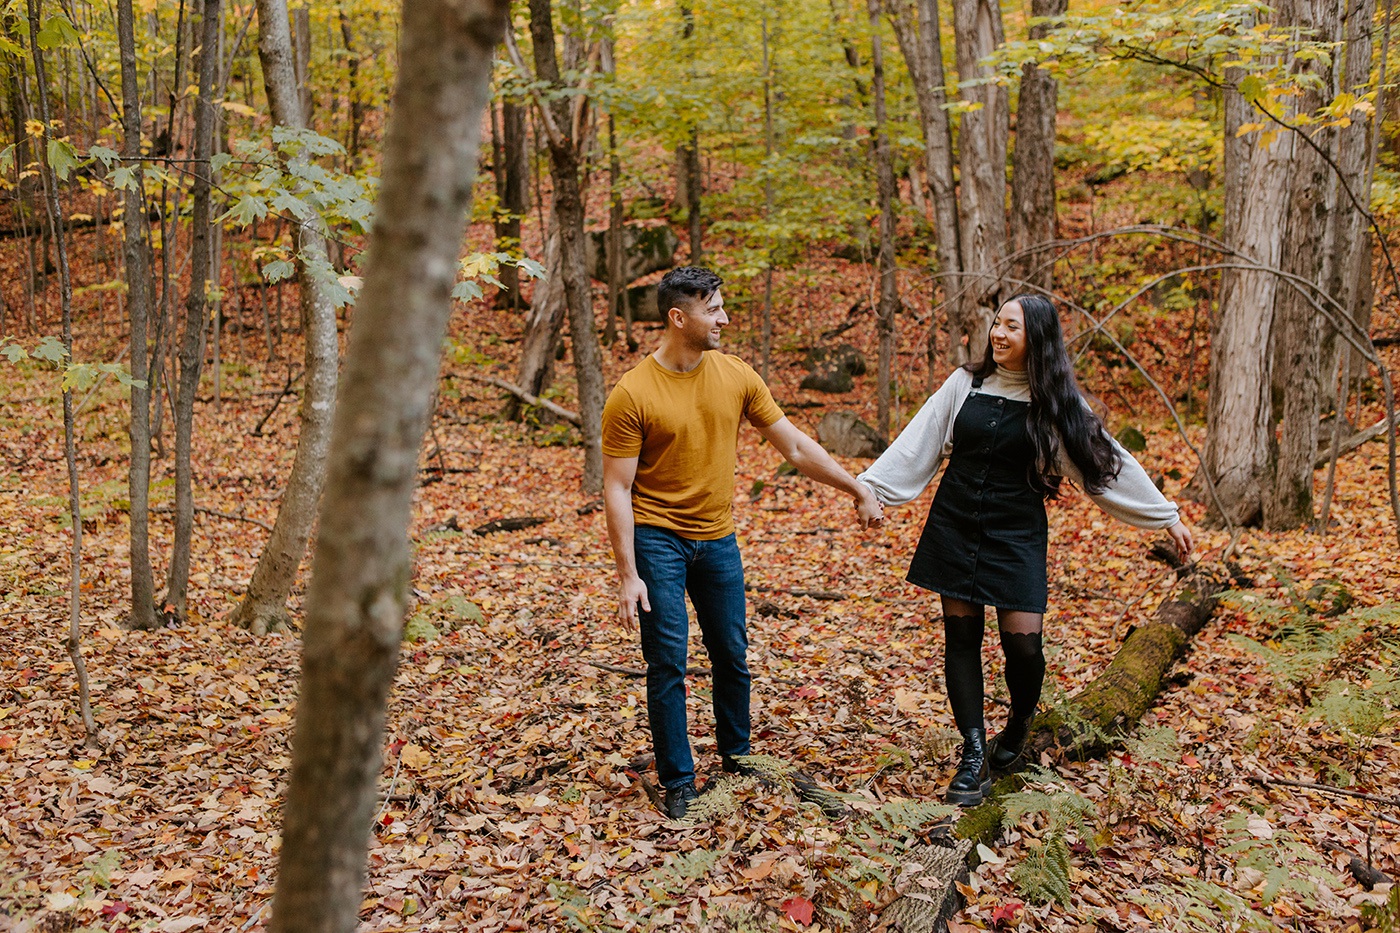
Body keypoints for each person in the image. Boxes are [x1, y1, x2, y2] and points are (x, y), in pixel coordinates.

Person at [857, 294, 1193, 806]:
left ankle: (1017, 724)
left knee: (1024, 649)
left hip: (1016, 532)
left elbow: (1105, 462)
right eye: (996, 323)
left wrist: (1164, 516)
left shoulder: (1056, 403)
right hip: (956, 523)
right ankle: (973, 757)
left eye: (1012, 326)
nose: (998, 333)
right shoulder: (963, 383)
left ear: (1036, 338)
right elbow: (917, 442)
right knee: (962, 640)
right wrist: (872, 489)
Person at [602, 266, 884, 820]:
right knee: (668, 662)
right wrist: (628, 573)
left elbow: (797, 448)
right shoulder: (631, 393)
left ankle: (738, 758)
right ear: (678, 317)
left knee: (732, 654)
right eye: (714, 309)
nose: (725, 319)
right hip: (658, 538)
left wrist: (856, 486)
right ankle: (678, 781)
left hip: (718, 539)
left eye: (723, 306)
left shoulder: (736, 375)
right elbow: (617, 487)